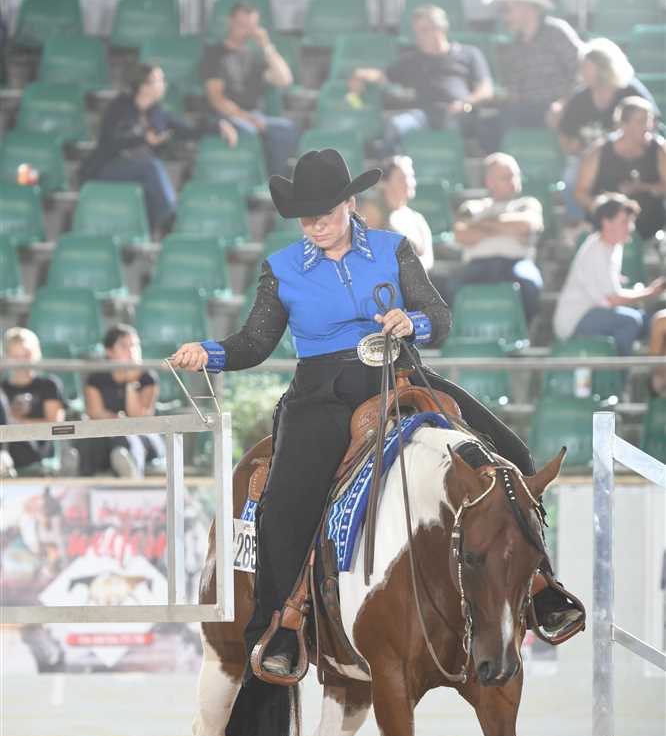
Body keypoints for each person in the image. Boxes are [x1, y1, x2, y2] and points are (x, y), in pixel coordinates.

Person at [170, 148, 584, 676]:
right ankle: (280, 625)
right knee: (286, 503)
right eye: (306, 217)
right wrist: (209, 353)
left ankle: (543, 587)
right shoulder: (282, 268)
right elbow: (255, 342)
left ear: (350, 203)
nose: (315, 225)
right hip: (321, 391)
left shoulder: (394, 248)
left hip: (401, 372)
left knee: (514, 455)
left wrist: (413, 322)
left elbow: (439, 316)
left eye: (325, 212)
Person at [80, 63, 237, 235]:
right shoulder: (119, 107)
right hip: (107, 168)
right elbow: (109, 142)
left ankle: (155, 231)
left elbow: (188, 130)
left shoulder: (158, 113)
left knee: (151, 178)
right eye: (159, 80)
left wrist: (218, 126)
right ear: (144, 86)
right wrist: (142, 139)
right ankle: (172, 219)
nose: (164, 84)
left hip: (138, 172)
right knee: (152, 167)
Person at [349, 5, 493, 153]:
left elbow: (486, 89)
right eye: (417, 32)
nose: (419, 36)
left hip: (459, 114)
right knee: (395, 125)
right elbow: (383, 76)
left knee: (453, 130)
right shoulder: (412, 60)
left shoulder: (469, 53)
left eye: (424, 31)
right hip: (424, 115)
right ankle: (389, 163)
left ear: (441, 29)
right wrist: (360, 73)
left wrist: (465, 103)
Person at [553, 195, 666, 376]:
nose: (630, 227)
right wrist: (649, 292)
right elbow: (613, 299)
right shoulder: (596, 250)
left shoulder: (613, 247)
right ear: (607, 223)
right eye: (624, 222)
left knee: (648, 322)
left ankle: (655, 379)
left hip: (595, 313)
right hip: (576, 320)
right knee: (630, 321)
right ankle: (619, 379)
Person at [558, 39, 658, 221]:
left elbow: (651, 123)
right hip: (588, 158)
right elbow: (565, 135)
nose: (582, 72)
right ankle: (583, 223)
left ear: (603, 68)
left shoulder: (630, 91)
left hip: (630, 156)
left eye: (587, 67)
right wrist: (575, 147)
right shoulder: (580, 98)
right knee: (571, 179)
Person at [201, 1, 299, 177]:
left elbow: (285, 79)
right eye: (242, 25)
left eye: (251, 26)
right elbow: (216, 99)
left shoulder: (255, 55)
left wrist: (266, 46)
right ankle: (260, 180)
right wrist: (246, 117)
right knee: (249, 131)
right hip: (225, 117)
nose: (246, 30)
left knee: (286, 128)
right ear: (230, 21)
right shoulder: (214, 54)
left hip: (255, 115)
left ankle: (277, 182)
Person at [448, 153, 544, 323]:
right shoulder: (472, 207)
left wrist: (481, 225)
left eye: (515, 175)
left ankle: (527, 329)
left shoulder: (527, 204)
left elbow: (527, 225)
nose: (513, 181)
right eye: (506, 177)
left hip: (516, 263)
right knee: (451, 288)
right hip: (477, 265)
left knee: (530, 284)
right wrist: (507, 229)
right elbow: (461, 234)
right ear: (489, 182)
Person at [482, 0, 582, 139]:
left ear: (526, 7)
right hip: (523, 110)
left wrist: (563, 103)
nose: (504, 17)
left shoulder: (557, 32)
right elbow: (513, 91)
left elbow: (582, 73)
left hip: (557, 109)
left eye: (507, 9)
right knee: (487, 126)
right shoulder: (514, 45)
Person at [77, 324, 164, 478]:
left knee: (126, 439)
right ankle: (81, 477)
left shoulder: (148, 378)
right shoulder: (96, 379)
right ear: (109, 351)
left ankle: (131, 472)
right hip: (107, 432)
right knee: (92, 439)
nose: (132, 351)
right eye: (124, 346)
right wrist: (118, 421)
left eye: (135, 345)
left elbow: (139, 417)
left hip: (142, 435)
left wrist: (130, 384)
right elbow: (95, 413)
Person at [576, 97, 666, 241]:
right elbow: (581, 192)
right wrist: (607, 209)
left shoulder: (659, 149)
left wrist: (642, 187)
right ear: (623, 124)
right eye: (640, 122)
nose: (647, 127)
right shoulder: (599, 151)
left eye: (649, 121)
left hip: (651, 227)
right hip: (608, 230)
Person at [0, 327, 66, 475]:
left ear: (36, 353)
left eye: (27, 355)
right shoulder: (2, 388)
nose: (22, 362)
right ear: (7, 357)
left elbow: (55, 426)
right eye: (16, 356)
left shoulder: (49, 385)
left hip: (37, 450)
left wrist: (17, 422)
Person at [361, 156, 434, 272]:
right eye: (401, 178)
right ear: (384, 183)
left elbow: (428, 258)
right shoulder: (372, 212)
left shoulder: (417, 218)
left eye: (411, 177)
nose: (408, 183)